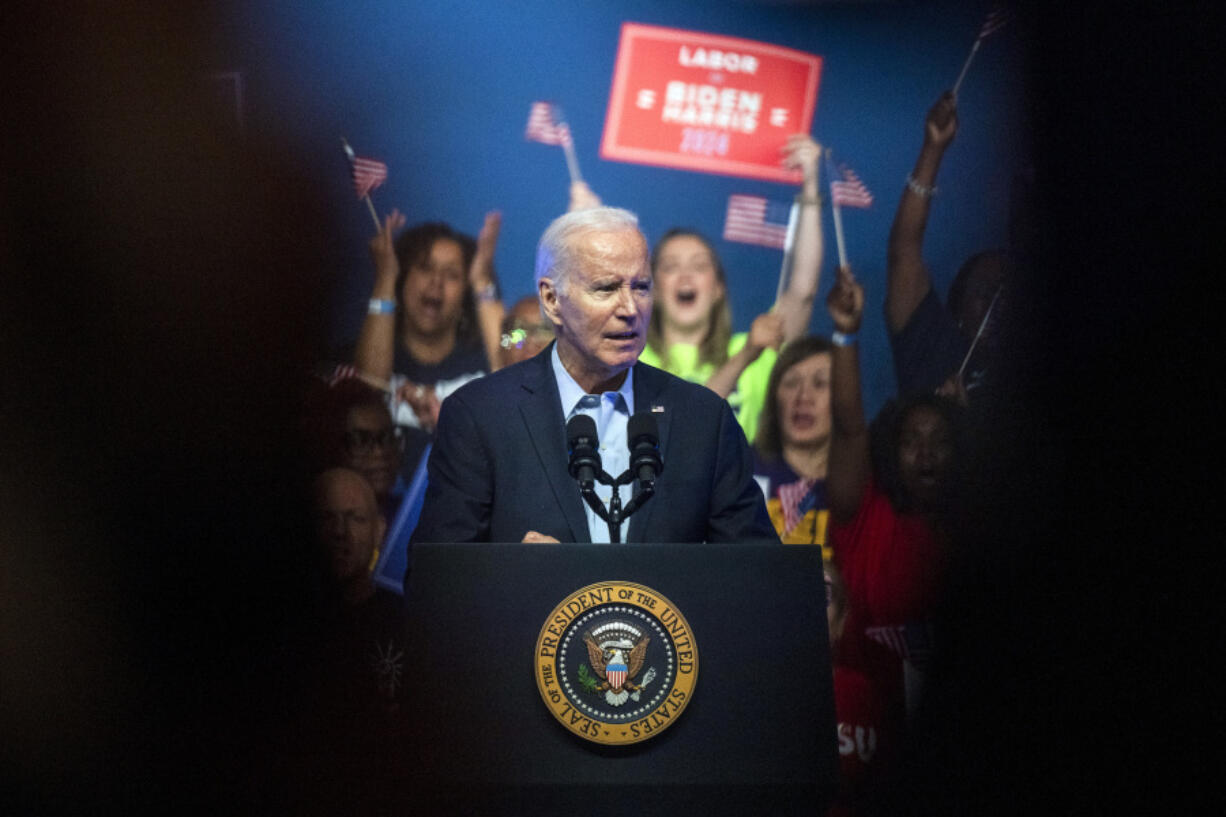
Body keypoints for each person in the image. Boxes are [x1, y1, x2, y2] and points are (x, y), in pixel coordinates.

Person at [410, 206, 779, 545]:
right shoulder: (480, 416)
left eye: (641, 287)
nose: (630, 308)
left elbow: (755, 577)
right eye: (606, 288)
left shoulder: (704, 421)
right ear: (552, 300)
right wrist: (511, 575)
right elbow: (436, 583)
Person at [825, 263, 966, 763]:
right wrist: (845, 333)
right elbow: (847, 428)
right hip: (860, 749)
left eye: (941, 442)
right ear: (891, 448)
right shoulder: (865, 517)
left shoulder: (978, 534)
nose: (925, 455)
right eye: (911, 441)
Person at [640, 135, 825, 442]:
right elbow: (681, 434)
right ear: (655, 290)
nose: (685, 275)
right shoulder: (630, 360)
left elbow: (803, 290)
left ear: (718, 289)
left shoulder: (749, 347)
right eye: (671, 267)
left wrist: (810, 187)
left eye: (699, 266)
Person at [886, 91, 1008, 405]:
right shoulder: (933, 344)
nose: (996, 304)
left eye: (1005, 295)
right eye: (985, 291)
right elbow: (904, 251)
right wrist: (933, 149)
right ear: (959, 303)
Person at [354, 210, 495, 432]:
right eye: (425, 267)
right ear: (402, 280)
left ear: (465, 295)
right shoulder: (357, 355)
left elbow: (516, 346)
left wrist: (483, 282)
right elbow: (367, 394)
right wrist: (385, 277)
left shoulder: (486, 364)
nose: (436, 282)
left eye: (451, 274)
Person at [751, 335, 835, 559]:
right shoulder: (745, 470)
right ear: (774, 397)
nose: (803, 397)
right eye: (791, 383)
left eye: (820, 384)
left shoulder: (858, 484)